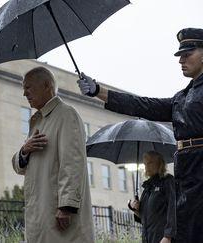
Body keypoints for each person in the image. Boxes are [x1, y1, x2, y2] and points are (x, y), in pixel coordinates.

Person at [77, 27, 203, 243]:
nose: (181, 60)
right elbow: (144, 105)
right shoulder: (182, 97)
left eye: (187, 54)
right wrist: (98, 91)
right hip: (186, 171)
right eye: (180, 55)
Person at [12, 66, 94, 243]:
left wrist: (67, 206)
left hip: (59, 217)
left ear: (46, 85)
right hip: (42, 215)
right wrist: (24, 150)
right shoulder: (38, 121)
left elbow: (73, 162)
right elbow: (18, 166)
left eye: (28, 87)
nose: (24, 94)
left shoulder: (66, 114)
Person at [128, 151, 176, 243]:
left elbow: (173, 209)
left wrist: (168, 236)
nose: (146, 166)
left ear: (159, 163)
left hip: (163, 238)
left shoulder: (167, 181)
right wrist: (136, 210)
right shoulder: (147, 187)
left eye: (150, 162)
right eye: (145, 163)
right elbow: (144, 217)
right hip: (148, 238)